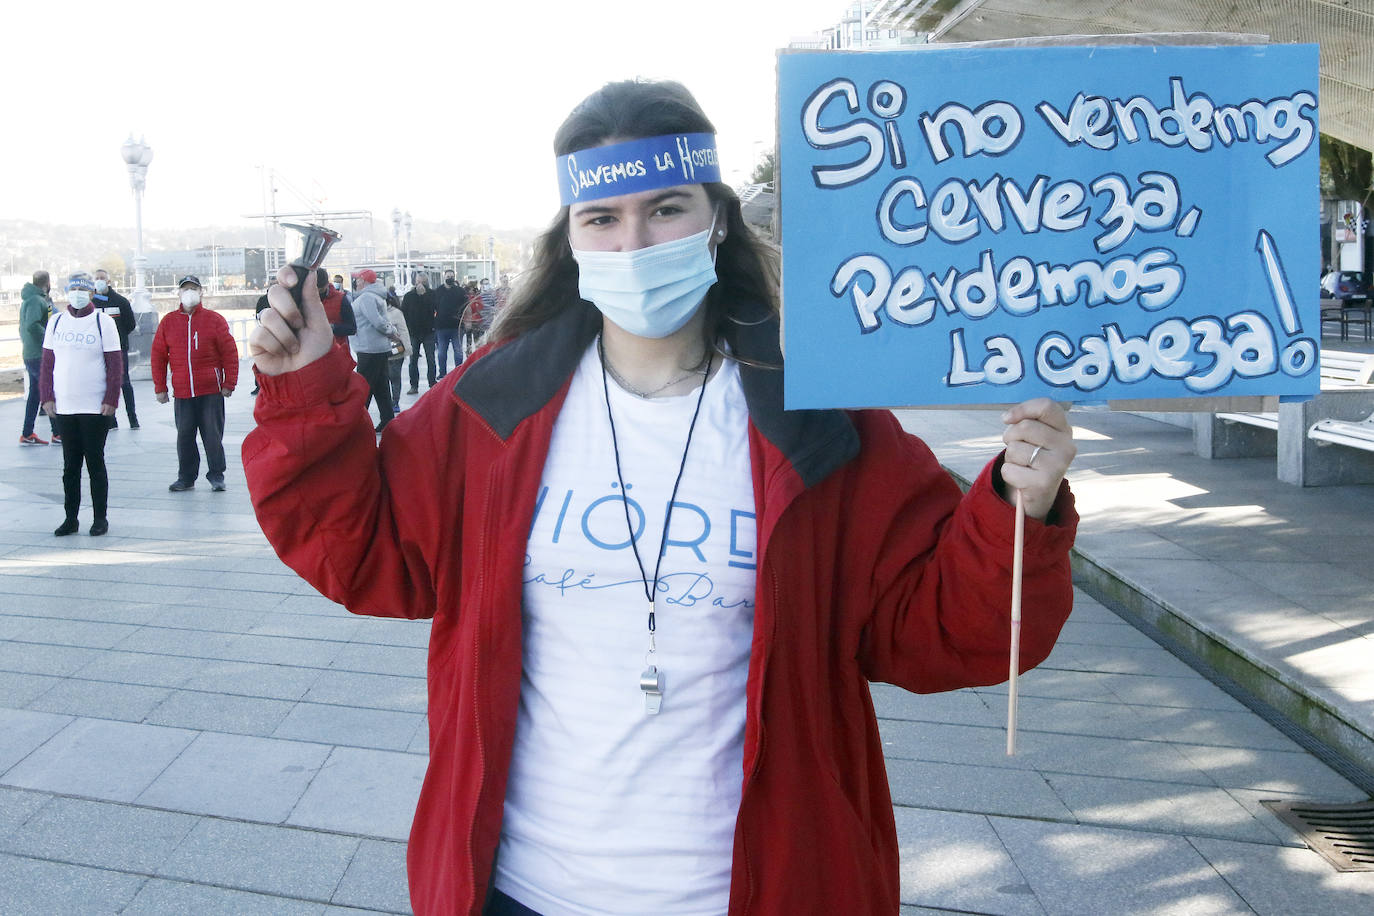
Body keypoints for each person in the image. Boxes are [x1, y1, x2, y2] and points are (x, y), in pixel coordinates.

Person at [244, 79, 1078, 916]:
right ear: (569, 238)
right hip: (521, 889)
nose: (634, 242)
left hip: (758, 889)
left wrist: (1017, 508)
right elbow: (366, 556)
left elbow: (937, 629)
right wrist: (304, 389)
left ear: (716, 219)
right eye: (602, 218)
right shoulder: (493, 405)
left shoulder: (819, 418)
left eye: (667, 208)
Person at [39, 272, 121, 536]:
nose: (77, 294)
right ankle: (70, 518)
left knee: (95, 463)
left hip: (95, 406)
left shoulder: (103, 322)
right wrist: (46, 396)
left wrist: (111, 399)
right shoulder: (56, 322)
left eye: (82, 290)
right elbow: (47, 364)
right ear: (67, 292)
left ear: (90, 294)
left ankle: (100, 518)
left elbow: (115, 365)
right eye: (72, 289)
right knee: (70, 466)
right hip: (65, 406)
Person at [151, 275, 239, 492]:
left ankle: (216, 474)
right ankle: (186, 477)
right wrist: (160, 387)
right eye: (185, 289)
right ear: (179, 293)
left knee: (212, 435)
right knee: (185, 436)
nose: (189, 292)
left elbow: (230, 353)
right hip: (182, 391)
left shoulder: (214, 320)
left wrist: (229, 382)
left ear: (201, 292)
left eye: (193, 288)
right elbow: (158, 356)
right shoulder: (169, 322)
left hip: (210, 390)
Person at [349, 268, 401, 433]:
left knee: (363, 386)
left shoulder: (366, 298)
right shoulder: (375, 296)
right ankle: (387, 419)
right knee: (381, 386)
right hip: (376, 347)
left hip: (369, 348)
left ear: (363, 281)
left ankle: (357, 422)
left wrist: (391, 332)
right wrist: (391, 332)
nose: (356, 282)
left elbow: (377, 321)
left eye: (358, 279)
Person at [92, 270, 138, 429]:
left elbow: (130, 324)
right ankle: (111, 421)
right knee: (104, 384)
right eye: (96, 278)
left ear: (109, 280)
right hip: (98, 351)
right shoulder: (91, 303)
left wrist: (119, 338)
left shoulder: (121, 301)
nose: (99, 281)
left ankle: (133, 418)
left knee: (124, 383)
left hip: (119, 350)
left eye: (102, 278)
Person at [19, 270, 57, 445]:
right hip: (37, 354)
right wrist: (49, 339)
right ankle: (57, 432)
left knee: (35, 393)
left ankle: (27, 433)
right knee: (48, 390)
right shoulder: (35, 300)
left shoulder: (33, 299)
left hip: (31, 353)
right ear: (47, 283)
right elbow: (32, 325)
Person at [401, 272, 437, 393]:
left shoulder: (432, 294)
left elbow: (435, 308)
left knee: (431, 359)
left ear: (427, 282)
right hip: (413, 332)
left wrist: (424, 296)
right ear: (415, 282)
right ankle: (414, 385)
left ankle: (432, 383)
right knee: (413, 360)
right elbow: (404, 313)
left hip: (428, 332)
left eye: (423, 282)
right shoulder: (409, 296)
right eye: (418, 282)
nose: (420, 284)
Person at [432, 268, 464, 376]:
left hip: (457, 326)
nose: (450, 278)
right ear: (444, 277)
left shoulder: (460, 291)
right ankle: (442, 373)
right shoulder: (437, 291)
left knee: (458, 351)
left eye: (451, 276)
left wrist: (467, 321)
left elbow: (466, 306)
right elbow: (433, 308)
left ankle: (458, 372)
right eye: (448, 276)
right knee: (441, 352)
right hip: (441, 327)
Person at [385, 294, 410, 412]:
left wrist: (407, 347)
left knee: (395, 377)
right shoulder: (373, 311)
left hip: (396, 351)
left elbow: (403, 330)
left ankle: (395, 401)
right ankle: (387, 402)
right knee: (384, 379)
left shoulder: (396, 313)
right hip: (380, 351)